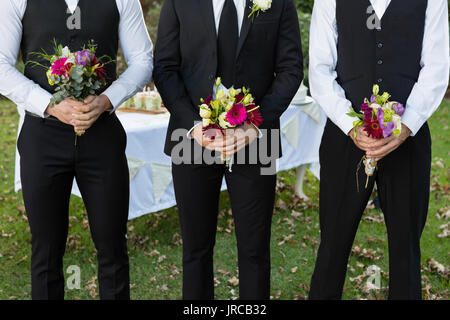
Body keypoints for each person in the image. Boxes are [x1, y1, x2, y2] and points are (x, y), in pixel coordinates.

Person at [0, 0, 153, 300]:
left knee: (113, 248)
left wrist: (108, 99)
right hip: (42, 137)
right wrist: (49, 104)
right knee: (45, 252)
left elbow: (143, 60)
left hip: (103, 137)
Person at [153, 0, 303, 299]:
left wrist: (254, 126)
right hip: (192, 139)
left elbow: (290, 69)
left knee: (255, 249)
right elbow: (165, 67)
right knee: (195, 249)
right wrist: (193, 124)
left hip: (257, 140)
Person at [308, 0, 449, 299]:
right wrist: (350, 125)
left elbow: (436, 67)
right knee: (332, 246)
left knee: (406, 252)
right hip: (344, 140)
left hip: (407, 142)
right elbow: (320, 69)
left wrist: (406, 126)